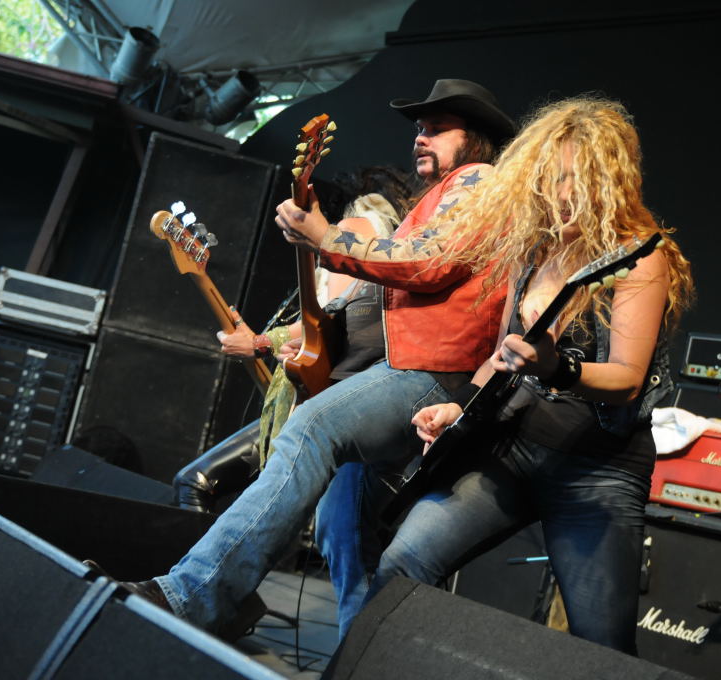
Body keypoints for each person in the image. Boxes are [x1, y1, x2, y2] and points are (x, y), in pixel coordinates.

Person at [123, 79, 516, 639]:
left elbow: (428, 263)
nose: (420, 138)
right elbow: (371, 300)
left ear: (474, 138)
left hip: (429, 372)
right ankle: (361, 660)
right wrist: (283, 330)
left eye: (437, 129)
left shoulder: (477, 180)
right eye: (419, 129)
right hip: (403, 370)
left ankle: (194, 596)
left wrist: (328, 238)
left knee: (310, 427)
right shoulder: (439, 199)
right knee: (344, 531)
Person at [362, 96, 694, 654]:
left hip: (597, 473)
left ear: (607, 180)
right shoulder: (535, 249)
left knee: (602, 647)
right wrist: (459, 407)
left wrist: (557, 367)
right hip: (513, 450)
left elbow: (627, 379)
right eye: (549, 177)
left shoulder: (639, 256)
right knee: (403, 562)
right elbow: (501, 356)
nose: (558, 193)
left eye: (572, 179)